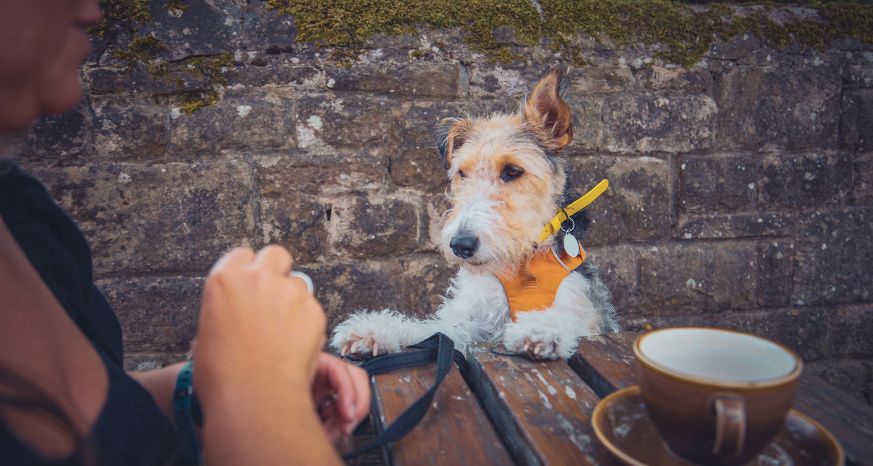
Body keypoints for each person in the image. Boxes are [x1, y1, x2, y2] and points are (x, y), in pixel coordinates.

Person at [0, 1, 370, 465]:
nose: (94, 10)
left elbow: (97, 420)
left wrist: (205, 387)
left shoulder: (20, 214)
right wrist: (261, 399)